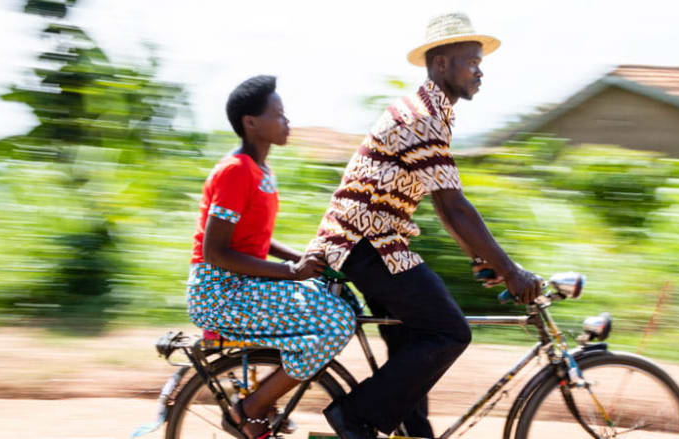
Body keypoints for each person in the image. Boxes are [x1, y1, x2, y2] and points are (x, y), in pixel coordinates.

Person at [306, 12, 542, 439]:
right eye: (471, 61)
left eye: (479, 61)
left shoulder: (433, 113)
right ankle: (353, 416)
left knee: (415, 346)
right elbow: (454, 208)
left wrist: (479, 257)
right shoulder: (421, 117)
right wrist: (511, 271)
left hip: (376, 242)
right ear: (441, 64)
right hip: (367, 244)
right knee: (450, 331)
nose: (480, 71)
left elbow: (443, 205)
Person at [186, 75, 356, 439]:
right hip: (220, 292)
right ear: (251, 123)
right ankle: (251, 408)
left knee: (339, 305)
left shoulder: (261, 171)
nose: (287, 122)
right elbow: (215, 252)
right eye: (278, 114)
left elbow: (255, 240)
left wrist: (307, 262)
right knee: (336, 322)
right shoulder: (235, 172)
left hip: (244, 285)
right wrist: (292, 271)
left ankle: (266, 395)